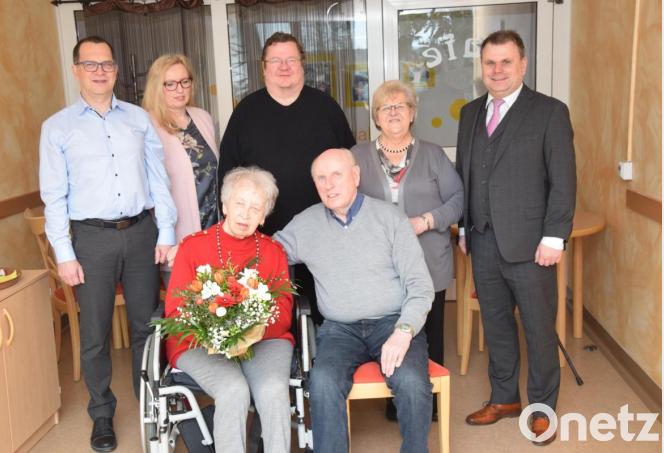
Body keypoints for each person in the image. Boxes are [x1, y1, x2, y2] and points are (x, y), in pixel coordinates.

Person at [39, 35, 177, 452]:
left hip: (140, 234)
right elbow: (53, 195)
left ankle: (150, 402)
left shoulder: (138, 119)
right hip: (91, 239)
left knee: (146, 327)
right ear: (76, 69)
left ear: (116, 70)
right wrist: (64, 253)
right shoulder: (57, 127)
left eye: (107, 64)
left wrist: (166, 231)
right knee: (96, 332)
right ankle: (101, 414)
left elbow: (159, 177)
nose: (100, 71)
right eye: (91, 64)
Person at [455, 30, 576, 446]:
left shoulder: (549, 112)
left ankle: (542, 408)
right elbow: (468, 175)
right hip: (484, 241)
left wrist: (555, 237)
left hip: (531, 245)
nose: (498, 70)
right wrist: (467, 227)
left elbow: (563, 181)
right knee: (497, 325)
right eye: (490, 63)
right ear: (482, 68)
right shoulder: (470, 113)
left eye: (506, 62)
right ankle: (504, 398)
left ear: (522, 65)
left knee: (540, 328)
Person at [274, 148, 434, 453]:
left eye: (337, 174)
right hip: (339, 329)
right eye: (321, 178)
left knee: (412, 383)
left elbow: (420, 285)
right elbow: (265, 253)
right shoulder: (306, 224)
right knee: (322, 383)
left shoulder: (390, 218)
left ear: (356, 176)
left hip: (393, 322)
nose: (329, 184)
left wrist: (403, 332)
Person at [219, 31, 356, 324]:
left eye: (291, 59)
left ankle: (320, 361)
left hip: (323, 231)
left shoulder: (326, 108)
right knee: (269, 313)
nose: (284, 66)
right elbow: (227, 175)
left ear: (302, 64)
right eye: (276, 60)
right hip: (263, 236)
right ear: (264, 67)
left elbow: (349, 166)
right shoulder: (245, 112)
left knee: (323, 311)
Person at [352, 80, 463, 420]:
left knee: (429, 331)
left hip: (429, 260)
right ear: (376, 116)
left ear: (413, 113)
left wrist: (427, 220)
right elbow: (342, 202)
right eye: (387, 107)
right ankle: (395, 400)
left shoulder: (432, 154)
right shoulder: (356, 157)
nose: (395, 112)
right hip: (380, 266)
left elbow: (458, 201)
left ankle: (429, 403)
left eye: (402, 105)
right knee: (390, 329)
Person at [165, 167, 294, 453]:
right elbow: (176, 309)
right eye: (239, 203)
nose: (245, 214)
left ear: (264, 216)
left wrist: (245, 331)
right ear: (224, 205)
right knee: (233, 390)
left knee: (273, 390)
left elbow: (283, 312)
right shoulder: (193, 247)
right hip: (198, 342)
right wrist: (217, 333)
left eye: (255, 208)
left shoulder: (273, 252)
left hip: (264, 340)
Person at [142, 54, 219, 286]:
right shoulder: (147, 125)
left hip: (213, 228)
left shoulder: (202, 118)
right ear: (158, 86)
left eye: (185, 81)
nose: (180, 89)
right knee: (186, 309)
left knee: (220, 305)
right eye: (170, 84)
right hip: (177, 232)